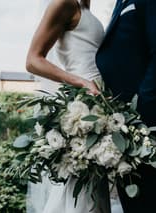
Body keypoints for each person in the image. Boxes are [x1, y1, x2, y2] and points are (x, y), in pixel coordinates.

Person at [25, 0, 122, 212]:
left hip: (99, 105)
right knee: (78, 187)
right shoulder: (64, 3)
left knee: (93, 185)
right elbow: (32, 60)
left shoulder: (85, 8)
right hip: (82, 105)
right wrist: (80, 82)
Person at [96, 0, 156, 212]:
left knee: (146, 206)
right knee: (133, 205)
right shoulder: (121, 2)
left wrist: (136, 124)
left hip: (145, 127)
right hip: (123, 127)